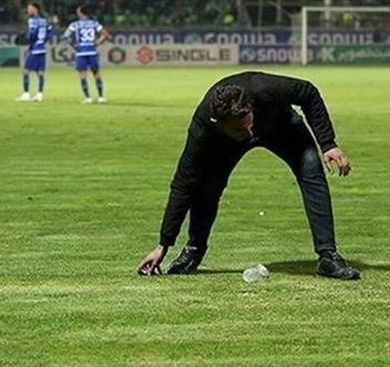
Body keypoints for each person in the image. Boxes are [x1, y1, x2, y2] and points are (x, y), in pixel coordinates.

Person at [136, 71, 360, 280]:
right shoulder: (203, 128)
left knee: (311, 171)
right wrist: (163, 244)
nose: (250, 134)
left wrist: (328, 144)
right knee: (207, 187)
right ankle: (194, 249)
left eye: (249, 124)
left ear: (250, 107)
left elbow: (309, 92)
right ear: (217, 123)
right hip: (227, 144)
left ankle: (328, 257)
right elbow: (183, 184)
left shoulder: (265, 89)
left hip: (280, 126)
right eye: (240, 129)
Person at [62, 5, 110, 103]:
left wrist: (74, 46)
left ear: (80, 13)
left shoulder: (74, 24)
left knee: (83, 75)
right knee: (97, 74)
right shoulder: (94, 23)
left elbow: (66, 36)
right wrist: (97, 43)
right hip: (92, 51)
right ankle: (101, 97)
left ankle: (87, 98)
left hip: (81, 53)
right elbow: (105, 34)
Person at [16, 2, 53, 102]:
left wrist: (29, 41)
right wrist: (42, 42)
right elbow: (50, 33)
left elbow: (31, 35)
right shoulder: (45, 21)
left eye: (29, 9)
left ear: (35, 9)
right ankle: (39, 94)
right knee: (40, 72)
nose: (28, 11)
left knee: (26, 71)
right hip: (42, 48)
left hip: (35, 48)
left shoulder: (32, 21)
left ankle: (26, 94)